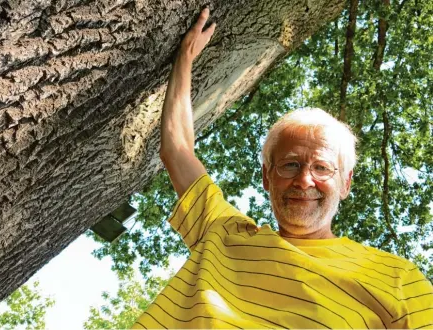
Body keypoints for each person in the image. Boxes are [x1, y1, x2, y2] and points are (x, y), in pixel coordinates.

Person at [133, 8, 433, 329]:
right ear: (267, 177)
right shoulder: (223, 231)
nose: (304, 180)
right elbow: (176, 149)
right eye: (291, 165)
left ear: (345, 184)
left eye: (321, 167)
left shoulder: (397, 278)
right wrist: (185, 58)